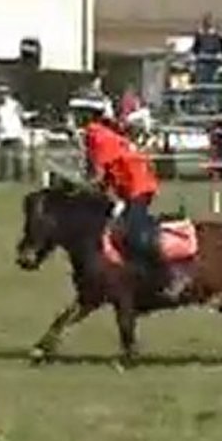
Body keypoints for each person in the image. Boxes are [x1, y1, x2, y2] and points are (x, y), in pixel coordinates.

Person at [84, 103, 175, 297]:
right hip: (132, 186)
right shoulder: (100, 134)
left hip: (137, 187)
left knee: (134, 233)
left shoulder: (97, 135)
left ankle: (166, 276)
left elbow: (98, 174)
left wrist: (89, 185)